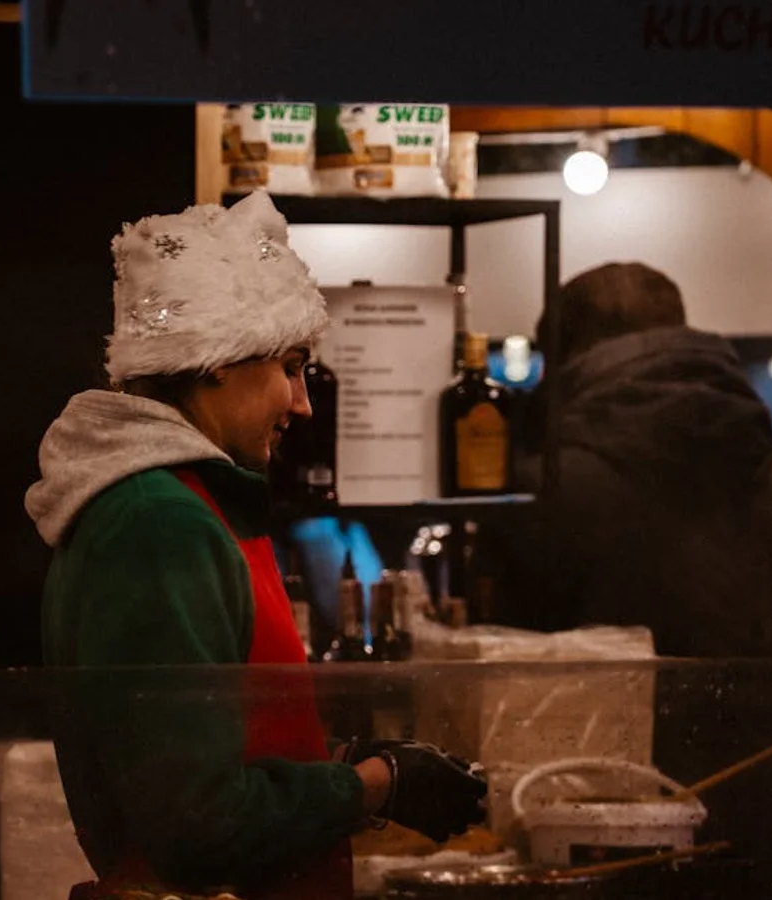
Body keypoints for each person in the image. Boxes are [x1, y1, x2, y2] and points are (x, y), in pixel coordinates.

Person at [24, 191, 487, 900]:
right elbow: (199, 828)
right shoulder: (159, 523)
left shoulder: (188, 503)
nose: (302, 404)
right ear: (218, 360)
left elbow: (210, 753)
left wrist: (339, 764)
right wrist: (377, 785)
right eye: (292, 367)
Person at [509, 261, 772, 657]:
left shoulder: (544, 488)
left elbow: (504, 658)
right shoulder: (761, 466)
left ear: (563, 360)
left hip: (595, 716)